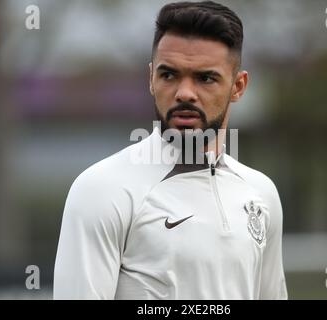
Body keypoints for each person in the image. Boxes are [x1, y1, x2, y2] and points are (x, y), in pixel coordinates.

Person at [54, 0, 287, 300]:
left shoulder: (261, 194)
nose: (185, 93)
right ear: (151, 78)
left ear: (238, 86)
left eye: (205, 78)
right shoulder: (101, 190)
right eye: (169, 75)